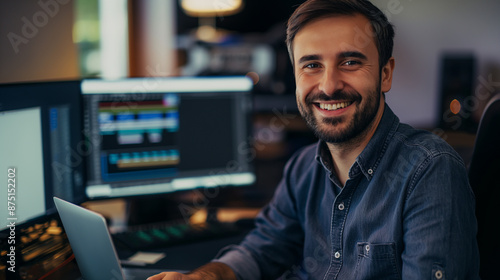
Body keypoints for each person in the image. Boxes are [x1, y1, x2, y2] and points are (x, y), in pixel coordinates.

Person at [148, 0, 480, 279]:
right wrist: (208, 276)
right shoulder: (303, 167)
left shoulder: (430, 171)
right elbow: (264, 247)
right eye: (311, 65)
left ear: (385, 73)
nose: (329, 85)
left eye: (350, 62)